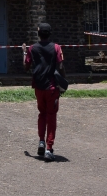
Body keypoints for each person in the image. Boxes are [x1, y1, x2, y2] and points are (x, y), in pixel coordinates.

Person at [22, 22, 66, 162]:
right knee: (51, 116)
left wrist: (24, 52)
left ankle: (41, 141)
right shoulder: (56, 47)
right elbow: (61, 65)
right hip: (52, 87)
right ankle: (49, 148)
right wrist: (63, 81)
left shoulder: (32, 48)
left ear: (39, 33)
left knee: (42, 114)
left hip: (38, 87)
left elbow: (26, 66)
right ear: (50, 33)